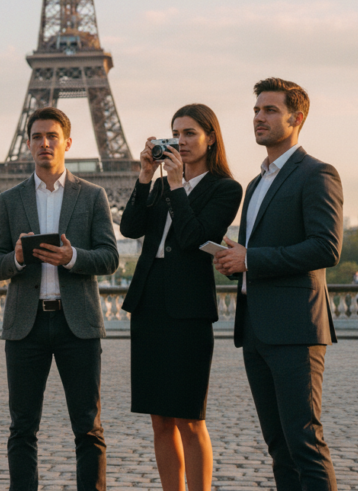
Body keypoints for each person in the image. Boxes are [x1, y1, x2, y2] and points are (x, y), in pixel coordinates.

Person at [215, 77, 343, 491]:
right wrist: (237, 259)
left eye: (270, 110)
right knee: (279, 447)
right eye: (256, 110)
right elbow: (264, 252)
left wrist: (251, 258)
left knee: (304, 441)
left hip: (295, 329)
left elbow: (326, 249)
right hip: (256, 328)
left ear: (297, 117)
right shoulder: (255, 184)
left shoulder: (317, 173)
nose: (259, 118)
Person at [0, 107, 119, 491]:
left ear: (67, 143)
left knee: (87, 426)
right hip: (25, 326)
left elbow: (109, 256)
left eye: (52, 136)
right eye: (38, 136)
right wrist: (17, 258)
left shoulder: (93, 195)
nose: (45, 143)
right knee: (22, 427)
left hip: (76, 324)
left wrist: (71, 257)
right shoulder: (10, 199)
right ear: (28, 144)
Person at [119, 104, 242, 491]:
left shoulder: (226, 189)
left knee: (190, 417)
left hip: (188, 308)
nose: (181, 141)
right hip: (149, 303)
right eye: (176, 133)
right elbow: (130, 226)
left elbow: (192, 238)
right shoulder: (157, 185)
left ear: (211, 138)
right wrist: (144, 177)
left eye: (190, 133)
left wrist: (176, 186)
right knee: (159, 418)